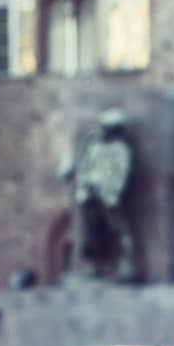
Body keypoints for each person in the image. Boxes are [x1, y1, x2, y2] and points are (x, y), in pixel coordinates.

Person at [58, 108, 136, 282]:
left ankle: (128, 265)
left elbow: (121, 174)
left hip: (109, 196)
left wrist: (112, 193)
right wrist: (84, 186)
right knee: (91, 232)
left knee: (120, 229)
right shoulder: (93, 145)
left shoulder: (120, 149)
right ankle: (94, 267)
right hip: (90, 194)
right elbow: (85, 167)